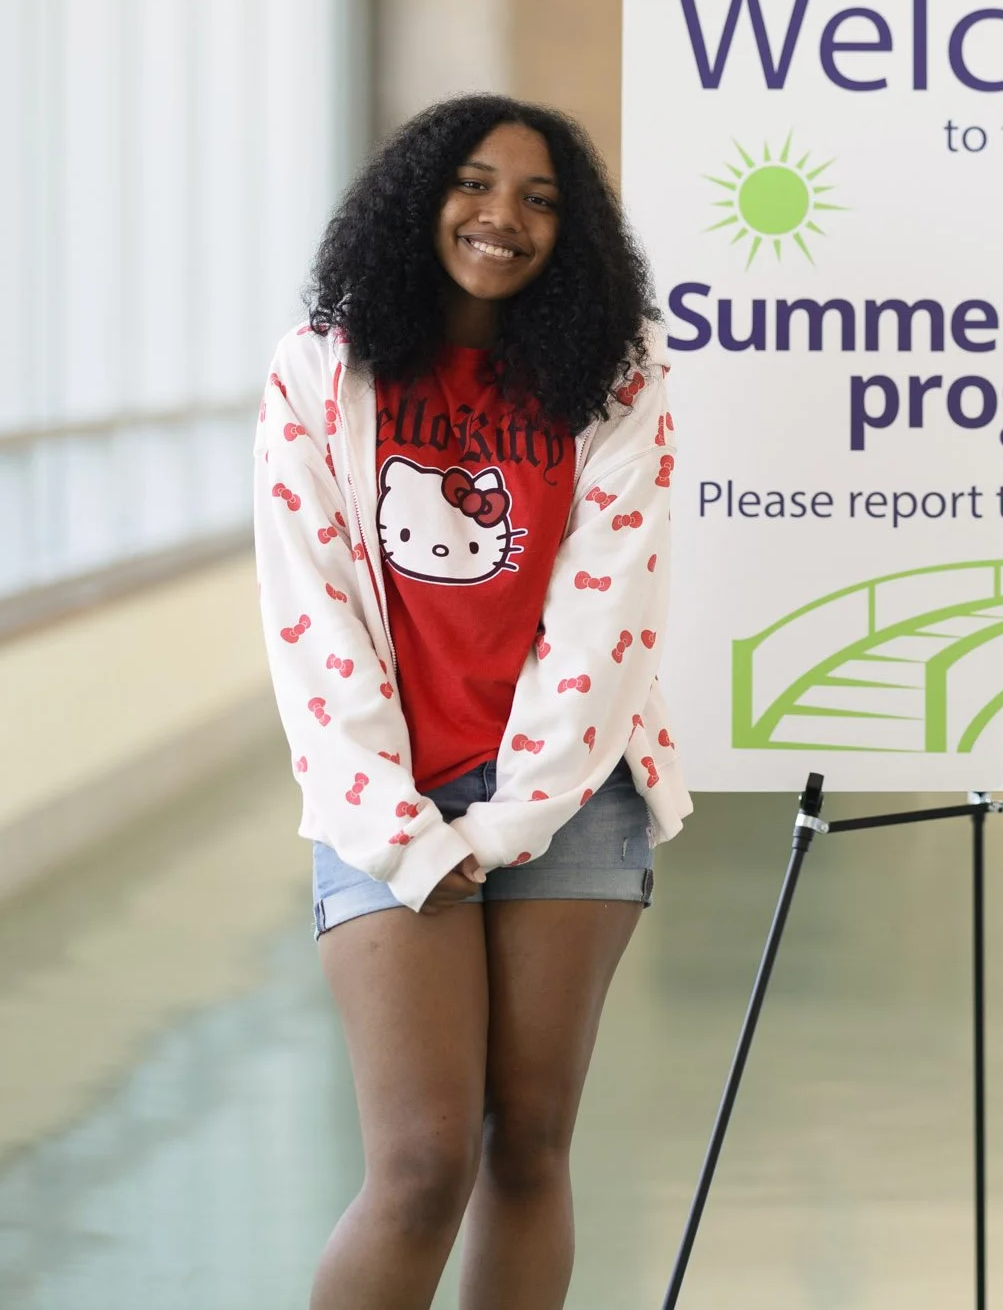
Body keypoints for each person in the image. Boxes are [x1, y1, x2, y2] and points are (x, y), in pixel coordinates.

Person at [253, 95, 692, 1310]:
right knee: (418, 1159)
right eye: (476, 183)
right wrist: (400, 830)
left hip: (566, 800)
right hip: (382, 801)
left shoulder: (615, 378)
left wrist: (506, 823)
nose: (503, 216)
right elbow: (310, 612)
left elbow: (610, 617)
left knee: (530, 1141)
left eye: (541, 199)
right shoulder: (321, 369)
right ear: (418, 196)